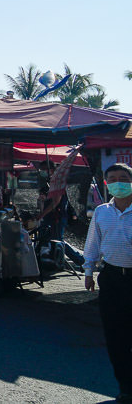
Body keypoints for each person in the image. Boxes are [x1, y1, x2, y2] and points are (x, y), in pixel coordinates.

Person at [83, 163, 132, 402]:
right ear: (106, 183)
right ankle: (126, 387)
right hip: (111, 278)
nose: (118, 182)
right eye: (113, 179)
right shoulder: (102, 211)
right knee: (115, 335)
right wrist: (88, 272)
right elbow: (92, 243)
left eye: (123, 178)